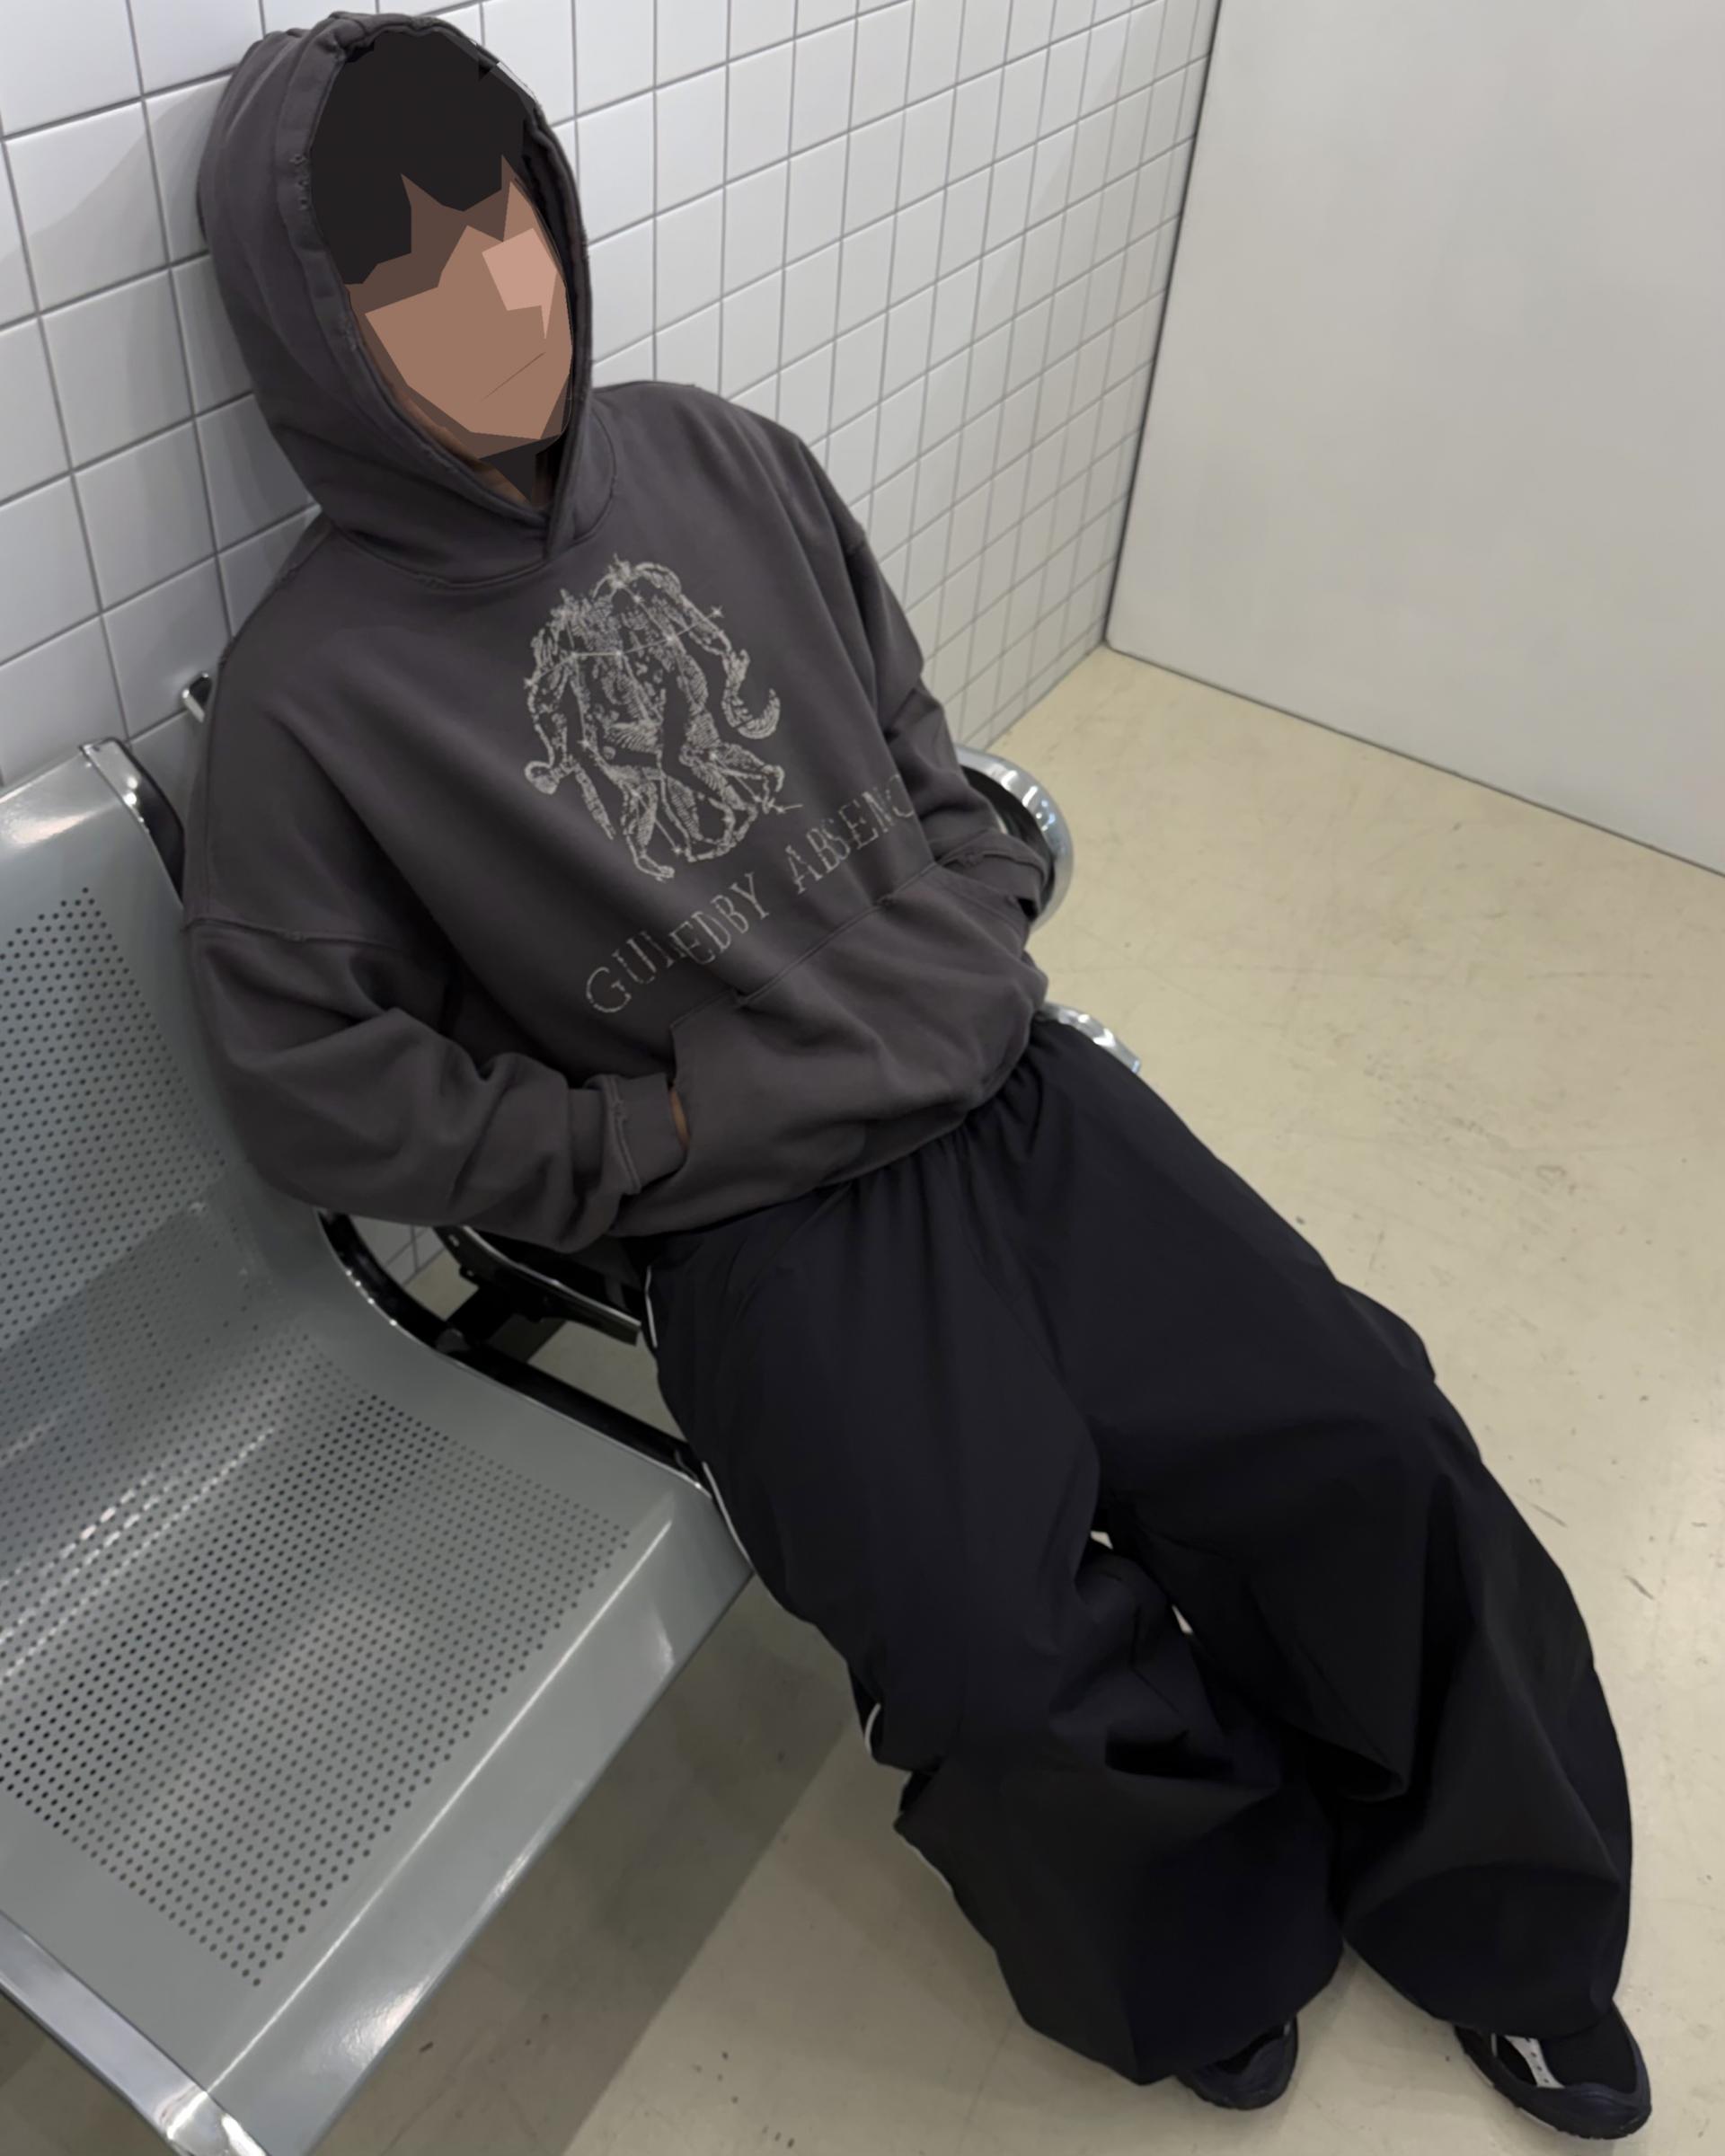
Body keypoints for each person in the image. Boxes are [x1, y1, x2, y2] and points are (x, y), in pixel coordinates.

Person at [184, 13, 1649, 2138]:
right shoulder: (312, 698)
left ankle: (1506, 1917)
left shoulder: (724, 460)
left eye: (503, 218)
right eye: (406, 270)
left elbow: (913, 738)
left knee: (1360, 1422)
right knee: (989, 1643)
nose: (499, 293)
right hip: (754, 1217)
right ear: (316, 333)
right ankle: (1209, 1938)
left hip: (1002, 1082)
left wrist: (965, 935)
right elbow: (313, 1094)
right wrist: (650, 1134)